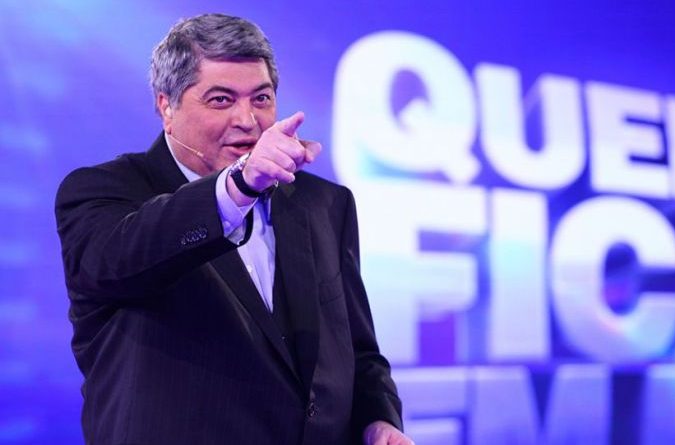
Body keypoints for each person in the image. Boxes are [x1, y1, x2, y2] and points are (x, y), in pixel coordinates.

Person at [55, 13, 412, 445]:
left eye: (261, 98)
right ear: (166, 106)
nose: (248, 119)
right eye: (221, 100)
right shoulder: (105, 191)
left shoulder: (324, 204)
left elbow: (357, 351)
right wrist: (238, 186)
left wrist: (378, 420)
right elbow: (120, 259)